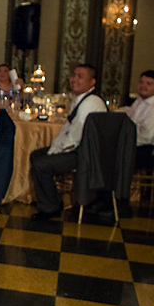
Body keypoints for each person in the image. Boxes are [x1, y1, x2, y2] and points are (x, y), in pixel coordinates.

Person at [29, 64, 107, 221]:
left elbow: (75, 136)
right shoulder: (81, 99)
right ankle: (52, 200)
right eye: (74, 75)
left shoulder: (91, 103)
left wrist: (56, 150)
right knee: (36, 155)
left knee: (41, 164)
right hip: (78, 148)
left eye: (80, 77)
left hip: (85, 154)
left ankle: (50, 208)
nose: (74, 79)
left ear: (92, 82)